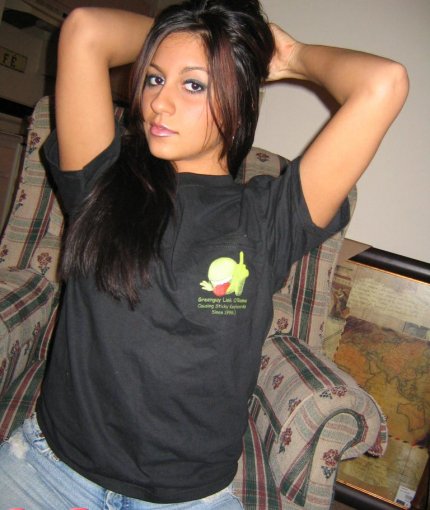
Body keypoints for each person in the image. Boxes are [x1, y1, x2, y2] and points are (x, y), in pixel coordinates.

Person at [0, 0, 408, 508]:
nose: (159, 103)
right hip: (50, 469)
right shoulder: (100, 180)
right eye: (154, 78)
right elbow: (85, 30)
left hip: (188, 497)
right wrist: (190, 36)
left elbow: (384, 83)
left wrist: (284, 55)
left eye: (193, 85)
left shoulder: (268, 219)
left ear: (239, 96)